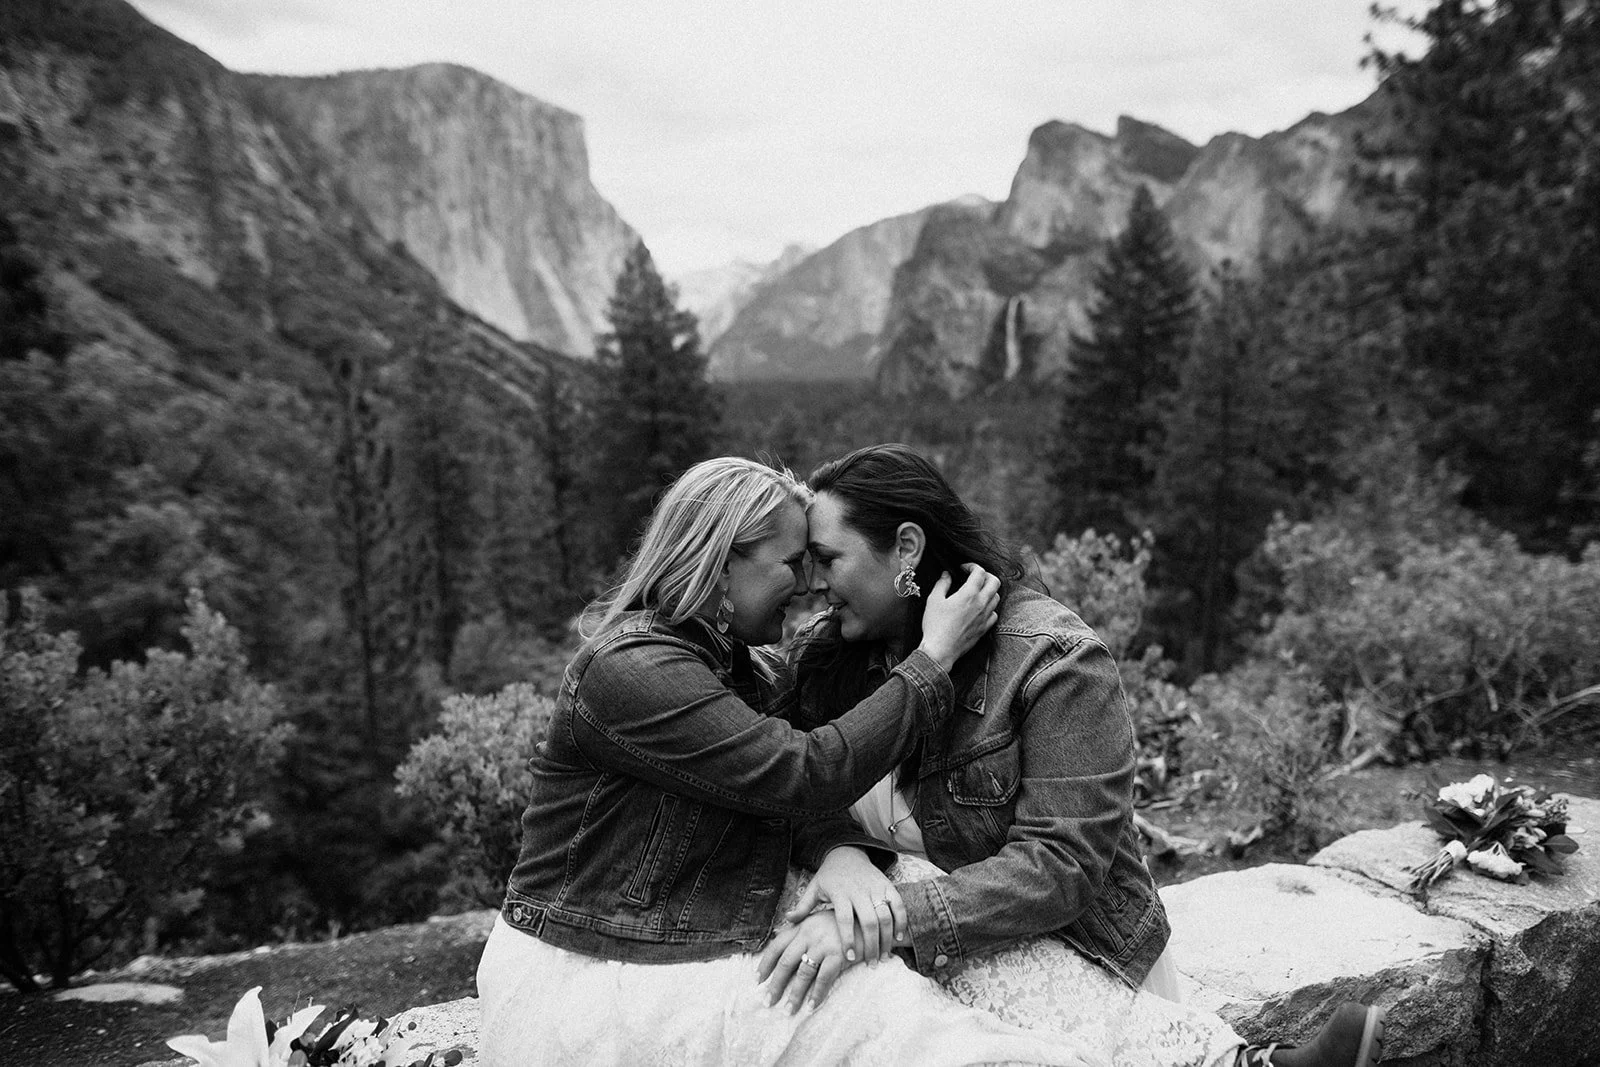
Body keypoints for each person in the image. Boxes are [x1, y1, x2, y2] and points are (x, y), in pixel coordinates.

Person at [476, 456, 1111, 1066]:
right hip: (593, 961)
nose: (810, 585)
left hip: (673, 927)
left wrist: (842, 851)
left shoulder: (737, 664)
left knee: (874, 991)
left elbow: (768, 793)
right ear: (723, 566)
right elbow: (797, 773)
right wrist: (934, 660)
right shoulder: (633, 670)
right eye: (795, 562)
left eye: (823, 560)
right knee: (865, 1010)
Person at [778, 443, 1388, 1067]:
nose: (812, 584)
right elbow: (782, 780)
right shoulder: (825, 656)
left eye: (827, 559)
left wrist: (887, 917)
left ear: (905, 549)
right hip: (908, 951)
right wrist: (842, 855)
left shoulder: (1052, 659)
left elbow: (1060, 863)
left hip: (1058, 949)